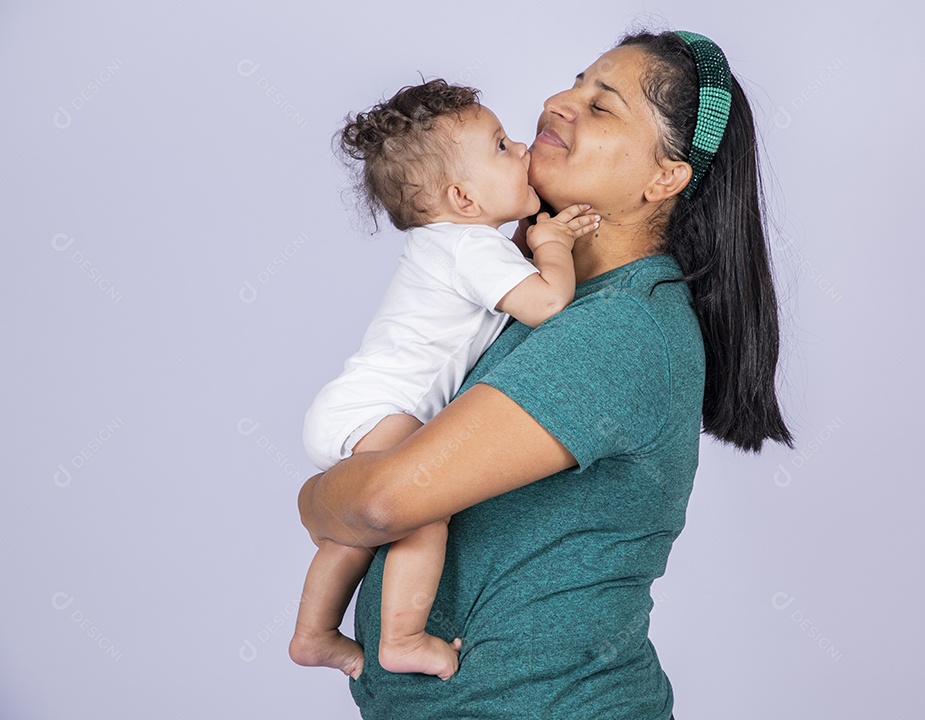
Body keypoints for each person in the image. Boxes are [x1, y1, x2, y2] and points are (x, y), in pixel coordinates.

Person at [298, 29, 796, 720]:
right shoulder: (536, 299)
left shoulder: (620, 328)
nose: (558, 103)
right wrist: (343, 502)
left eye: (602, 106)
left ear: (665, 179)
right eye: (575, 83)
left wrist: (316, 498)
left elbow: (381, 503)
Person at [289, 79, 601, 682]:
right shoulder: (468, 250)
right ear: (462, 197)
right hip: (382, 406)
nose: (521, 146)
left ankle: (313, 634)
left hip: (353, 406)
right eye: (502, 148)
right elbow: (546, 303)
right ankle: (402, 638)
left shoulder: (454, 245)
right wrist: (554, 243)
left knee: (354, 534)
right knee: (424, 502)